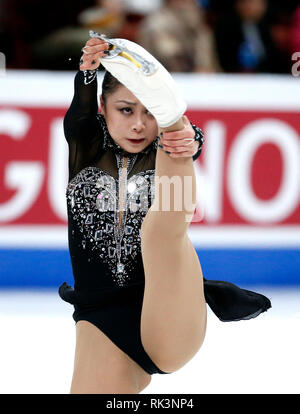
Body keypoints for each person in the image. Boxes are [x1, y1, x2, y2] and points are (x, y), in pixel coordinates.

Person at [59, 34, 271, 394]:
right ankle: (166, 114)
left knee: (158, 228)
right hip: (100, 318)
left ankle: (174, 115)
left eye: (149, 112)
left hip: (168, 317)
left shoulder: (166, 148)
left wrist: (186, 135)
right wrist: (88, 72)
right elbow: (80, 108)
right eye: (126, 110)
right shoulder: (85, 143)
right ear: (104, 108)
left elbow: (194, 141)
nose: (139, 124)